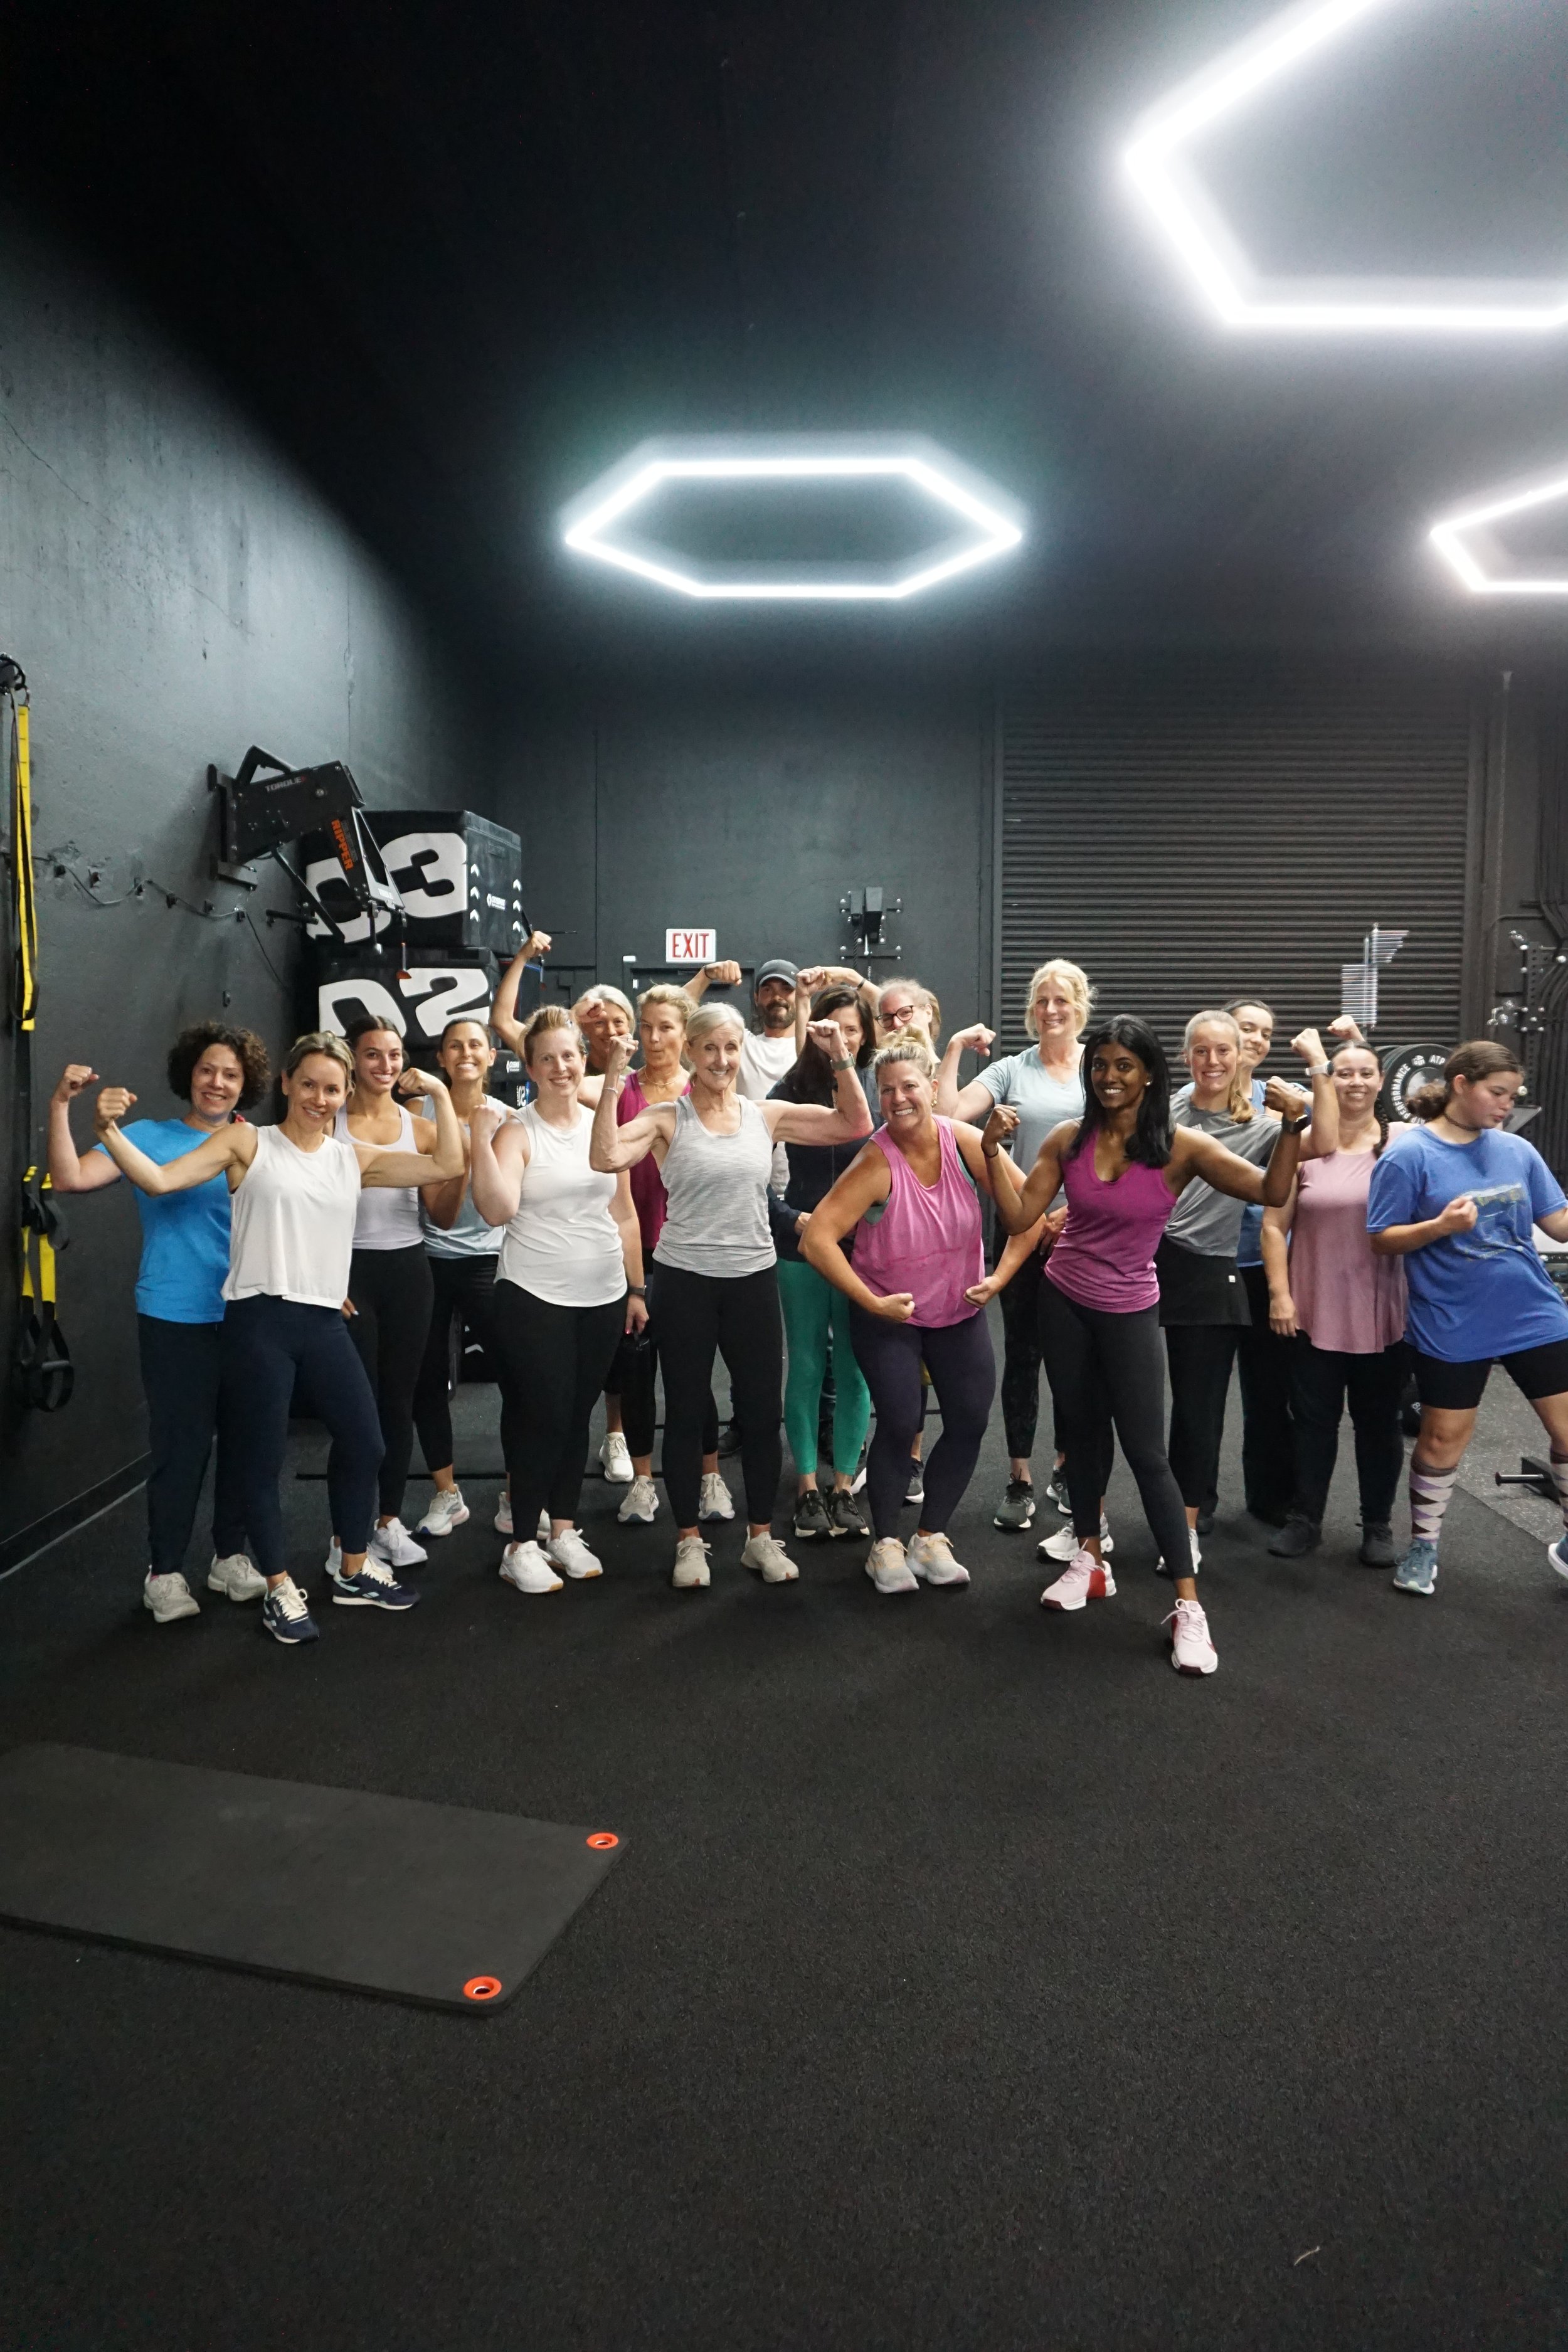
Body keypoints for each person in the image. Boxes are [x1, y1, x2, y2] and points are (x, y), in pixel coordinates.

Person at [92, 1031, 465, 1645]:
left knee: (367, 1442)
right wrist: (108, 1131)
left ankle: (351, 1568)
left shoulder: (352, 1158)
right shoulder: (247, 1142)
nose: (320, 1098)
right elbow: (158, 1181)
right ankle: (278, 1586)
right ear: (287, 1083)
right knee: (262, 1460)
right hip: (260, 1321)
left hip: (322, 1322)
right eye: (309, 1084)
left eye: (332, 1089)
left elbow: (448, 1164)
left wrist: (441, 1096)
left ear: (345, 1094)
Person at [988, 1014, 1308, 1677]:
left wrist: (1293, 1127)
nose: (1109, 1077)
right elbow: (1020, 1217)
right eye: (1100, 1065)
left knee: (1147, 1454)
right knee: (1080, 1433)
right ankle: (1089, 1560)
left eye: (1124, 1066)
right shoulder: (1068, 1139)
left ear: (1150, 1074)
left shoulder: (1182, 1147)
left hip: (1130, 1309)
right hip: (1064, 1301)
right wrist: (992, 1151)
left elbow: (1272, 1190)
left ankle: (1188, 1606)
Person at [590, 1000, 872, 1588]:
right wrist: (614, 1075)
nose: (721, 1059)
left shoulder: (764, 1115)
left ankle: (759, 1538)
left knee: (762, 1414)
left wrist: (841, 1055)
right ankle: (689, 1541)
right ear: (691, 1051)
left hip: (751, 1280)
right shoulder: (667, 1118)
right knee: (687, 1412)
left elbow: (854, 1124)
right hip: (684, 1281)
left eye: (731, 1048)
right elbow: (605, 1155)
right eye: (710, 1048)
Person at [48, 1023, 272, 1624]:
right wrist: (62, 1104)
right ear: (188, 1075)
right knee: (182, 1447)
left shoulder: (258, 1143)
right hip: (175, 1314)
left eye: (230, 1075)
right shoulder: (147, 1136)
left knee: (246, 1443)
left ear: (246, 1084)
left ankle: (230, 1557)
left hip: (248, 1313)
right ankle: (165, 1571)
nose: (217, 1083)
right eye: (207, 1070)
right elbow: (69, 1178)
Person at [802, 1036, 1007, 1594]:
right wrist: (871, 1302)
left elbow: (1027, 1210)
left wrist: (1000, 1277)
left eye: (909, 1086)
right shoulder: (875, 1161)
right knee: (900, 1420)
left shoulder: (966, 1142)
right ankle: (886, 1545)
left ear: (933, 1089)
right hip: (889, 1313)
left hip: (959, 1309)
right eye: (887, 1090)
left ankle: (931, 1536)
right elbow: (817, 1238)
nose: (897, 1099)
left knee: (969, 1419)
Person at [1367, 1040, 1568, 1597]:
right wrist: (1439, 1227)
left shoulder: (1517, 1150)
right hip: (1451, 1317)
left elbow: (1558, 1223)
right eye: (1497, 1093)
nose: (1506, 1105)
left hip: (1533, 1311)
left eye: (1512, 1095)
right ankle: (1423, 1547)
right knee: (1441, 1439)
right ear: (1461, 1084)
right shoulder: (1410, 1155)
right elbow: (1381, 1239)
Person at [467, 1006, 647, 1594]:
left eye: (569, 1055)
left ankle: (563, 1530)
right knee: (542, 1416)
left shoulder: (603, 1125)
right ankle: (521, 1543)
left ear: (583, 1059)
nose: (560, 1067)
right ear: (531, 1068)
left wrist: (636, 1288)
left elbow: (625, 1214)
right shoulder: (517, 1132)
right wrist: (478, 1138)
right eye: (546, 1058)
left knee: (576, 1415)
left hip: (603, 1294)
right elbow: (497, 1210)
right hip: (533, 1295)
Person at [1154, 1014, 1333, 1572]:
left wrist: (1314, 1080)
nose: (1212, 1062)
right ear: (1186, 1056)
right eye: (1201, 1051)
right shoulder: (1163, 1110)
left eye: (1223, 1052)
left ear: (1241, 1057)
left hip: (1209, 1267)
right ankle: (1101, 1516)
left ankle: (1189, 1519)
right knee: (1137, 1398)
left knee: (1202, 1403)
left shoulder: (1261, 1122)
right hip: (1144, 1259)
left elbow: (1324, 1142)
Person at [936, 958, 1092, 1533]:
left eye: (1061, 1000)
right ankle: (1020, 1477)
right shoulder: (1011, 1070)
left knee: (1075, 1360)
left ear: (1079, 1006)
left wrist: (1072, 1212)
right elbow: (945, 1114)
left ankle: (1067, 1468)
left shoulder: (1095, 1069)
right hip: (1022, 1229)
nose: (1050, 1010)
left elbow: (1115, 1149)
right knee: (1023, 1354)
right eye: (1041, 1000)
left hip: (1082, 1230)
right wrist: (955, 1046)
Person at [1262, 1033, 1407, 1565]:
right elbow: (1273, 1225)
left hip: (1385, 1311)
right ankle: (1306, 1520)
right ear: (1328, 1081)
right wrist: (1280, 1294)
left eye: (1366, 1073)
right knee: (1312, 1423)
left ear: (1381, 1080)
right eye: (1344, 1073)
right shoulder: (1304, 1146)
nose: (1355, 1082)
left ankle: (1378, 1525)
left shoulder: (1405, 1143)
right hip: (1314, 1309)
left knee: (1380, 1424)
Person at [610, 983, 733, 1530]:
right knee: (636, 1372)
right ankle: (643, 1482)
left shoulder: (705, 1089)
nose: (654, 1037)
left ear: (687, 1037)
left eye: (666, 1027)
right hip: (633, 1251)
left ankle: (710, 1476)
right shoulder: (620, 1091)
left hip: (693, 1252)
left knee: (694, 1376)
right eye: (647, 1026)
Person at [331, 1018, 442, 1574]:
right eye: (372, 1054)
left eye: (394, 1055)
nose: (385, 1065)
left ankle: (387, 1522)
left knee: (398, 1401)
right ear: (353, 1059)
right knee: (356, 1407)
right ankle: (343, 1534)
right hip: (348, 1273)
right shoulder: (329, 1122)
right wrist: (327, 1280)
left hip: (407, 1270)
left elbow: (445, 1201)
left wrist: (444, 1097)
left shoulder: (417, 1127)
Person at [769, 985, 877, 1542]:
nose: (843, 1039)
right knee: (808, 1365)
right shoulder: (788, 1090)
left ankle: (844, 1487)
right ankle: (808, 1488)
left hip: (864, 1251)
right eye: (832, 1029)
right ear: (813, 1031)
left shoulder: (878, 1086)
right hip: (803, 1247)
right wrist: (791, 1220)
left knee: (855, 1368)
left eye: (853, 1030)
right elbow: (751, 1178)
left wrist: (877, 1221)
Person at [410, 1015, 509, 1540]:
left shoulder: (509, 1118)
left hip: (491, 1259)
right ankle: (446, 1494)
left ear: (491, 1056)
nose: (465, 1053)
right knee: (427, 1379)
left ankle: (518, 1491)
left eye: (475, 1045)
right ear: (442, 1058)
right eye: (455, 1046)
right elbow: (438, 1208)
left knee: (516, 1376)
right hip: (429, 1256)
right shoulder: (417, 1112)